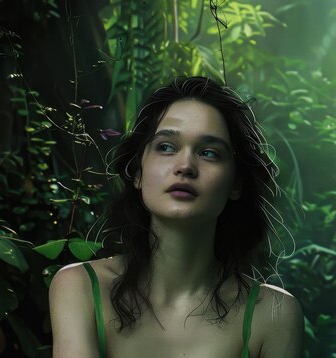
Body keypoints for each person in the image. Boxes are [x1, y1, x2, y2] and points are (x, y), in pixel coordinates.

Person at [49, 76, 304, 357]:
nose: (185, 166)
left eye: (209, 153)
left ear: (235, 184)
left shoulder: (272, 314)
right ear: (137, 172)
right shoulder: (81, 288)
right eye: (166, 147)